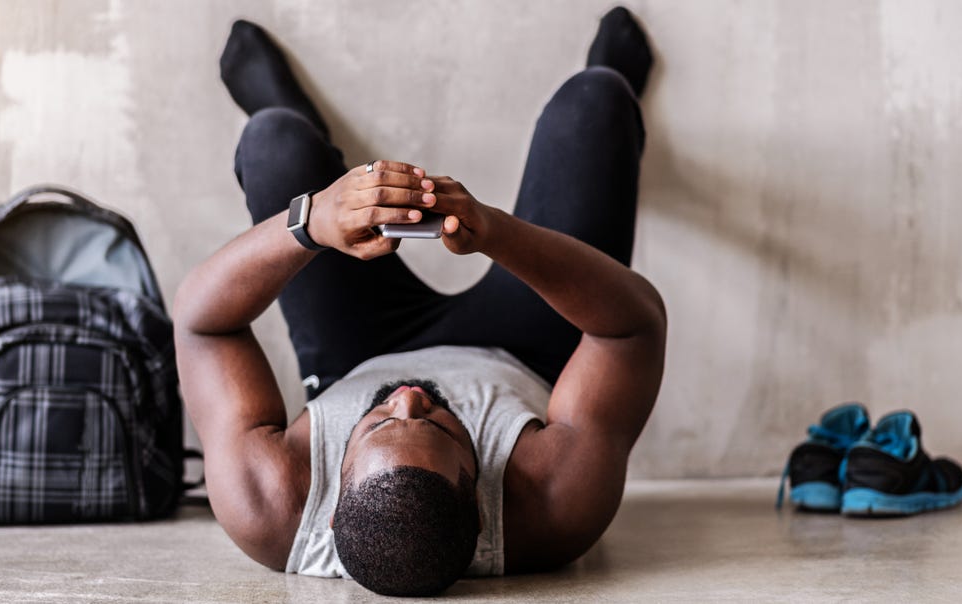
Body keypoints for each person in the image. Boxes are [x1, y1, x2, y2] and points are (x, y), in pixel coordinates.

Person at [174, 6, 666, 597]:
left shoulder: (271, 502)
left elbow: (202, 324)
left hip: (355, 353)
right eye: (442, 428)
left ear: (332, 501)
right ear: (482, 510)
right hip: (521, 347)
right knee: (594, 102)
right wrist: (491, 231)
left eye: (377, 423)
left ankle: (287, 116)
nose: (410, 397)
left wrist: (313, 223)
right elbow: (634, 325)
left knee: (274, 142)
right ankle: (614, 88)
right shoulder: (553, 501)